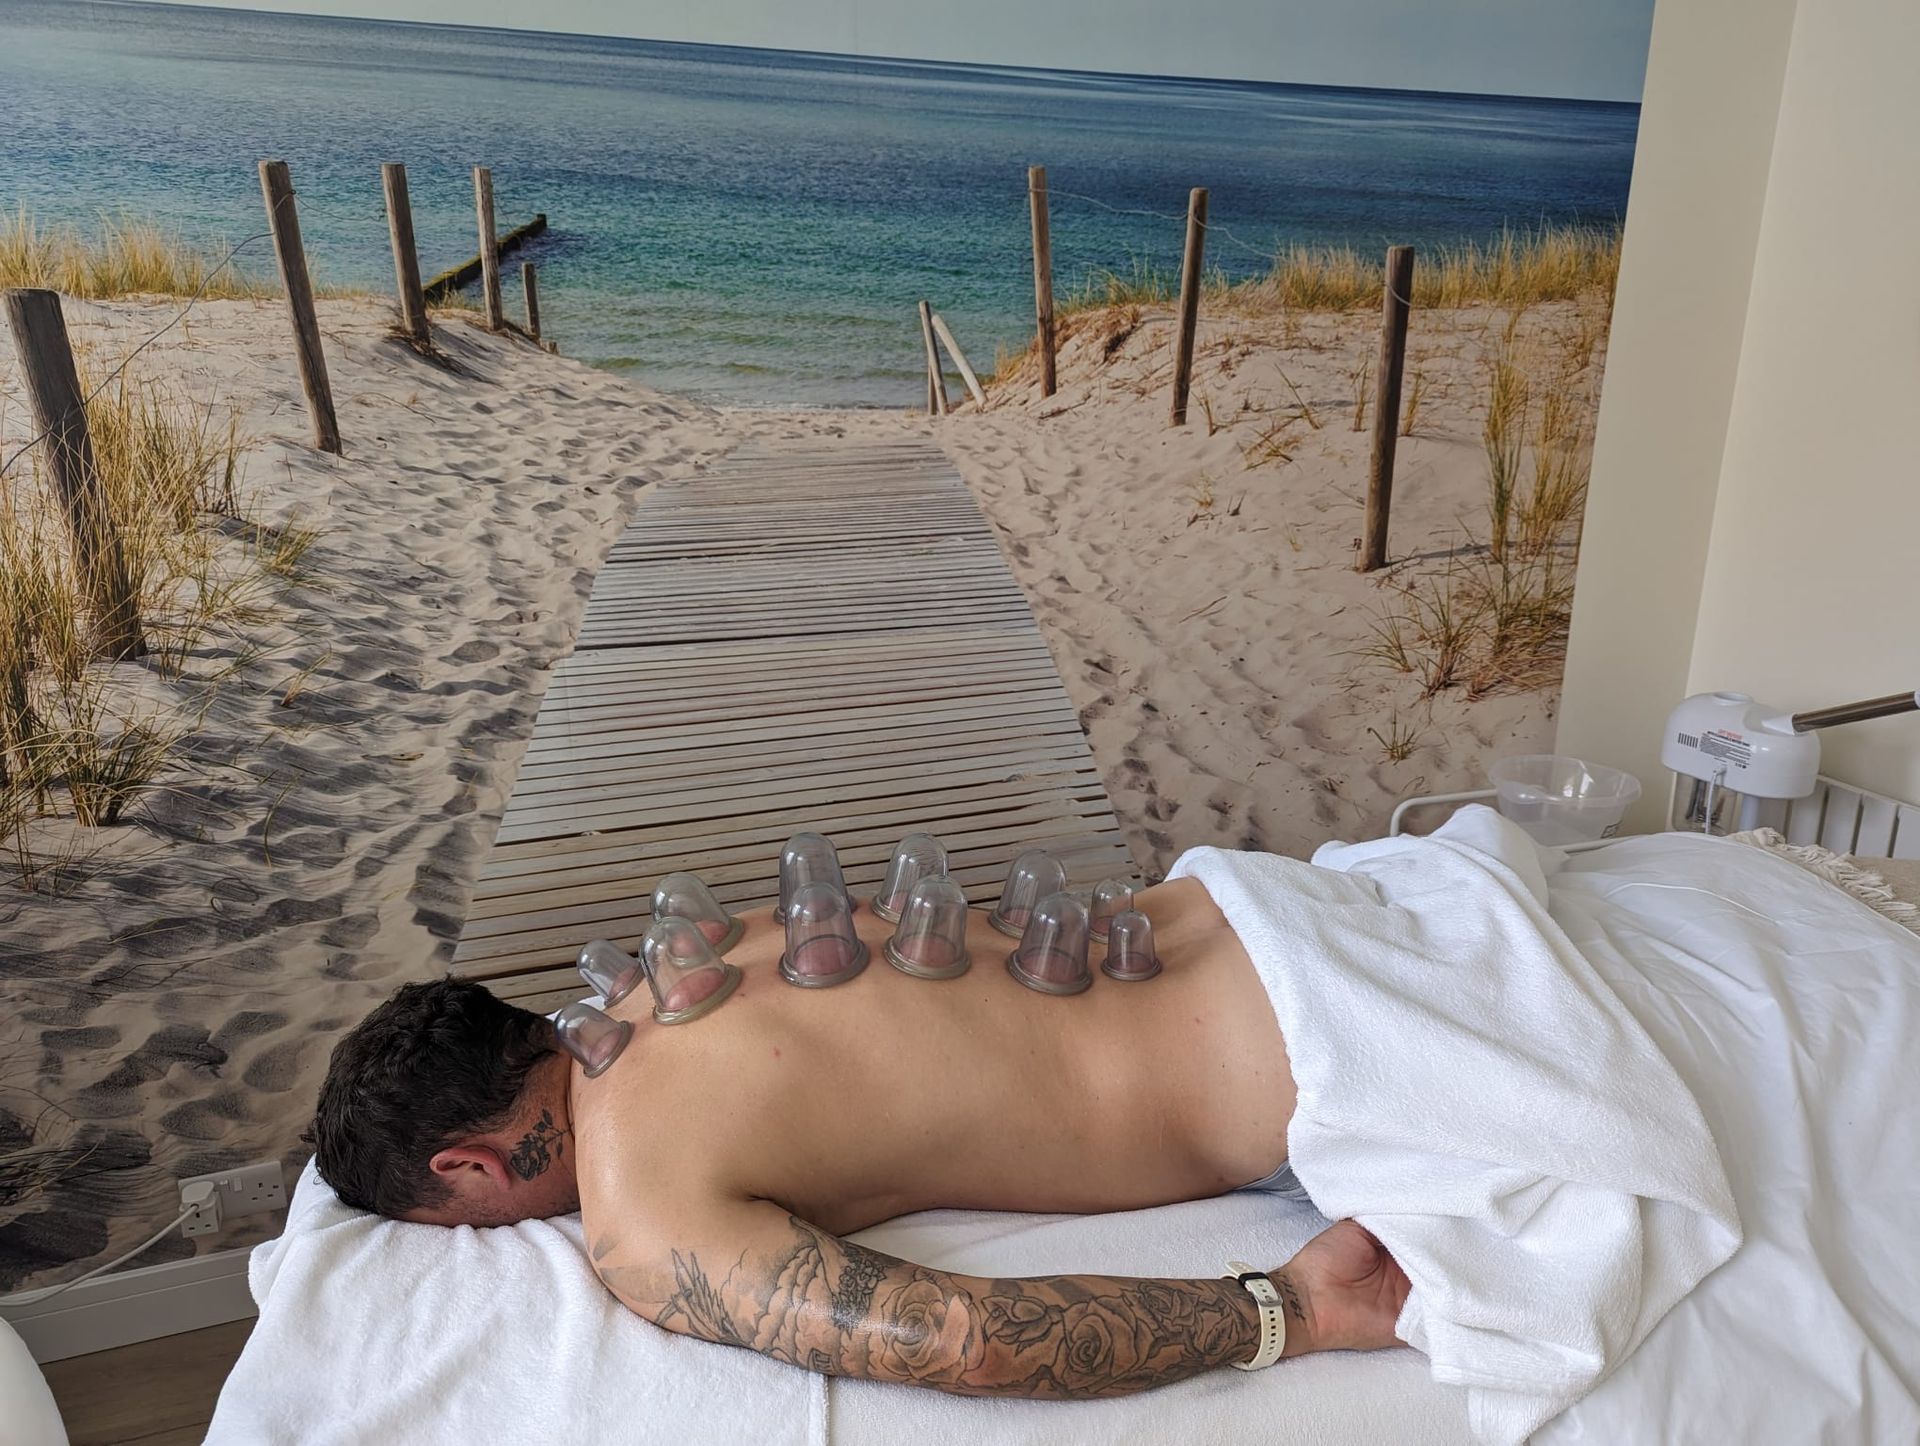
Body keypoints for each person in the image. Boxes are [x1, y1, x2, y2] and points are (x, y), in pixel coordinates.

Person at [306, 877, 1411, 1397]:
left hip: (1331, 1053)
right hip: (1273, 901)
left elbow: (962, 1338)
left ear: (469, 1167)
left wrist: (1290, 1311)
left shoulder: (638, 1208)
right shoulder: (668, 965)